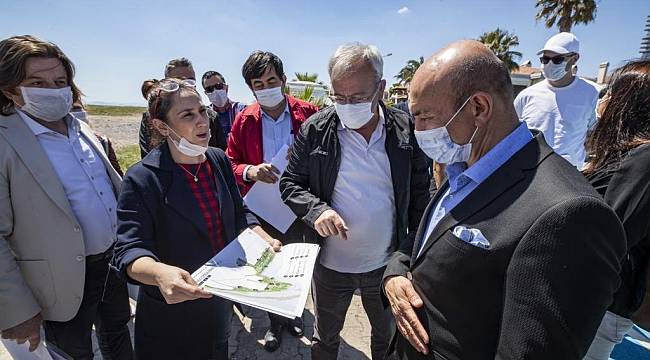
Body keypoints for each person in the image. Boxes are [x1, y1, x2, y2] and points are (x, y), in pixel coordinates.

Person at [382, 40, 626, 359]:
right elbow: (427, 241)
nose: (418, 130)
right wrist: (396, 273)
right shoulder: (461, 167)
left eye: (424, 117)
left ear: (478, 108)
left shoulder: (569, 214)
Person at [111, 78, 282, 359]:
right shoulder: (142, 178)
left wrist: (259, 235)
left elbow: (239, 212)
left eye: (202, 111)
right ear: (161, 126)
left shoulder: (217, 160)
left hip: (218, 300)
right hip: (170, 313)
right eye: (187, 115)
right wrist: (159, 273)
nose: (202, 121)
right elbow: (129, 250)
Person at [280, 42, 430, 360]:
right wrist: (317, 210)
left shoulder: (404, 132)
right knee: (325, 339)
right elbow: (290, 184)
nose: (348, 105)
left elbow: (420, 195)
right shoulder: (316, 130)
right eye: (339, 97)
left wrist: (411, 257)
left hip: (385, 266)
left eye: (358, 98)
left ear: (381, 88)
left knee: (386, 339)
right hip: (330, 267)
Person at [0, 35, 132, 359]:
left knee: (118, 337)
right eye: (37, 82)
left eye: (60, 81)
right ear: (10, 90)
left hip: (110, 266)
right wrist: (16, 310)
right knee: (73, 352)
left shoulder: (81, 128)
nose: (53, 90)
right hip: (59, 284)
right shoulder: (6, 143)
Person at [225, 50, 318, 352]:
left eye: (272, 80)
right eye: (258, 83)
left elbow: (329, 156)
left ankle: (293, 314)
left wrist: (305, 160)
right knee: (269, 267)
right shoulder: (244, 120)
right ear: (250, 88)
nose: (266, 88)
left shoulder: (309, 113)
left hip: (301, 206)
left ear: (284, 80)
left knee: (298, 265)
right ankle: (274, 324)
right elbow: (230, 162)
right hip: (263, 210)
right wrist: (250, 171)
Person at [582, 59, 650, 359]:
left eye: (611, 91)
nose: (603, 99)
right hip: (598, 307)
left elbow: (609, 237)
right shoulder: (627, 156)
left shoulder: (644, 159)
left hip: (597, 310)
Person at [514, 32, 600, 170]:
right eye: (545, 59)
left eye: (557, 60)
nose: (549, 64)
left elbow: (595, 138)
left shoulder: (593, 94)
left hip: (570, 176)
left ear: (574, 59)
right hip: (530, 173)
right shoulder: (526, 96)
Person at [138, 58, 227, 157]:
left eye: (190, 81)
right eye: (177, 81)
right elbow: (147, 157)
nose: (185, 86)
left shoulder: (211, 116)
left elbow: (222, 155)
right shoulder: (150, 118)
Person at [202, 70, 247, 139]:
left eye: (218, 86)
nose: (215, 91)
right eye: (209, 89)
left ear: (226, 87)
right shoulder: (204, 115)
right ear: (206, 93)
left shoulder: (243, 110)